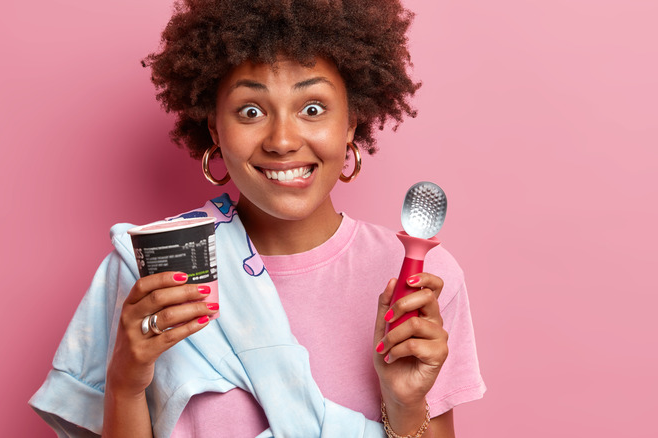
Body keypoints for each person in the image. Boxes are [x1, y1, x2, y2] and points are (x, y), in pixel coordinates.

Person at [30, 0, 485, 437]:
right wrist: (125, 383)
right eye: (251, 111)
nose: (282, 140)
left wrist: (404, 404)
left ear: (351, 122)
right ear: (215, 128)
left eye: (312, 109)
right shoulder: (151, 271)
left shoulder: (421, 283)